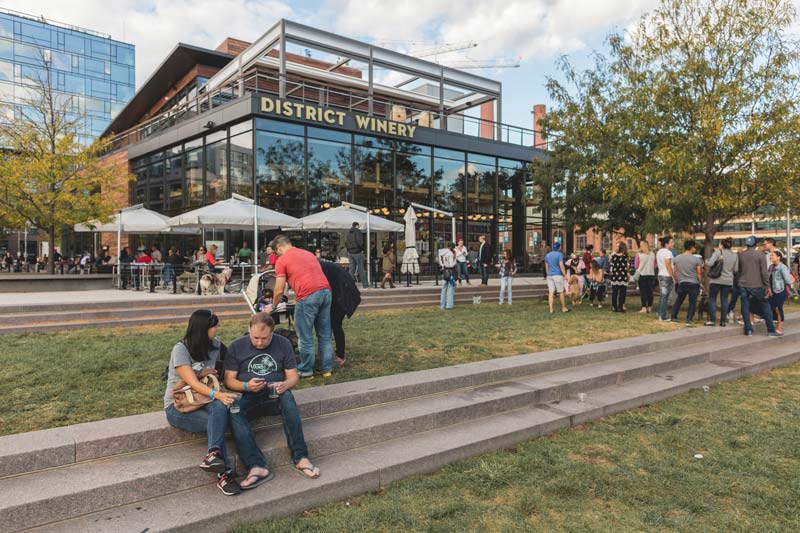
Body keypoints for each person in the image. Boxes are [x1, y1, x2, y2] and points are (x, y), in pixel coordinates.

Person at [225, 313, 320, 490]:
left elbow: (293, 376)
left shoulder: (282, 343)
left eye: (265, 338)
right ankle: (257, 465)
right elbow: (229, 380)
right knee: (234, 410)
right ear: (249, 330)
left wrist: (284, 384)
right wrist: (246, 386)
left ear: (272, 332)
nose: (260, 343)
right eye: (255, 338)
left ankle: (300, 457)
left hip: (276, 394)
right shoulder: (237, 346)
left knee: (288, 398)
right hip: (250, 395)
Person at [164, 309, 240, 496]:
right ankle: (225, 474)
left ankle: (213, 454)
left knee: (219, 409)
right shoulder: (180, 349)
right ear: (202, 329)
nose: (216, 330)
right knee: (217, 421)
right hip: (179, 406)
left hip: (205, 400)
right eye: (214, 327)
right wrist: (219, 395)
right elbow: (192, 383)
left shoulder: (215, 345)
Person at [270, 235, 334, 378]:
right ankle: (326, 369)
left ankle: (306, 370)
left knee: (305, 336)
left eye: (276, 252)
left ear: (279, 248)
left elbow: (279, 289)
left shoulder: (282, 260)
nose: (276, 254)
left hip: (307, 295)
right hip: (326, 292)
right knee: (324, 335)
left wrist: (273, 306)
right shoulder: (308, 254)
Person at [319, 258, 361, 366]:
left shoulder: (321, 268)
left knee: (335, 325)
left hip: (341, 296)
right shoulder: (326, 266)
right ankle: (335, 353)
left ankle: (339, 355)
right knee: (335, 325)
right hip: (341, 295)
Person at [739, 235, 779, 336]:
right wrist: (767, 286)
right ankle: (770, 330)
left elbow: (738, 271)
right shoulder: (760, 255)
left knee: (745, 306)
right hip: (757, 285)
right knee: (765, 306)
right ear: (755, 244)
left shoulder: (741, 255)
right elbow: (764, 273)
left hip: (743, 284)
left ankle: (748, 330)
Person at [705, 237, 738, 327]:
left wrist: (706, 261)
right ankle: (723, 321)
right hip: (728, 281)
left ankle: (712, 320)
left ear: (721, 245)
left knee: (712, 298)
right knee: (724, 300)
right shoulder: (734, 255)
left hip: (716, 280)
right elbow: (735, 269)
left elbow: (710, 263)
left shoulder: (718, 252)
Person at [670, 239, 703, 324]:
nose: (695, 248)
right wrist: (700, 282)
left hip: (682, 282)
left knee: (679, 300)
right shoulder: (696, 259)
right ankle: (689, 319)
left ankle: (673, 316)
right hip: (693, 283)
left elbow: (675, 271)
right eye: (694, 247)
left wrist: (676, 280)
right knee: (692, 302)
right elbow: (699, 273)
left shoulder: (677, 258)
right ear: (691, 247)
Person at [768, 250, 791, 335]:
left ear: (778, 257)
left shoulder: (782, 267)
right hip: (772, 292)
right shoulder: (771, 267)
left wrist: (788, 291)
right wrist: (768, 289)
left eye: (772, 255)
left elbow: (788, 280)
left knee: (778, 309)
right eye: (770, 255)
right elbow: (768, 279)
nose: (770, 257)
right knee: (772, 309)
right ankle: (775, 327)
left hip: (780, 291)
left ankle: (779, 329)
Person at [545, 242, 569, 314]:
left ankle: (551, 309)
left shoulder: (547, 255)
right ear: (559, 247)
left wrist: (548, 274)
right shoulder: (559, 255)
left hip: (549, 275)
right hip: (557, 275)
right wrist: (565, 275)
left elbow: (546, 266)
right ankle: (564, 308)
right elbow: (561, 266)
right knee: (561, 292)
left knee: (551, 292)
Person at [656, 236, 675, 321]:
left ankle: (660, 313)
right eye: (671, 242)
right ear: (666, 244)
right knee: (665, 296)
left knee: (663, 296)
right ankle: (663, 315)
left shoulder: (659, 252)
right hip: (666, 276)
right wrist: (673, 276)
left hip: (661, 274)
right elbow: (668, 265)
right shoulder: (668, 253)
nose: (673, 244)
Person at [633, 240, 656, 313]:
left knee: (643, 292)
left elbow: (636, 266)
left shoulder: (638, 254)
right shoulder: (652, 254)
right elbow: (655, 265)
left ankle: (644, 307)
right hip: (651, 274)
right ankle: (650, 307)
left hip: (642, 275)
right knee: (650, 291)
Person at [345, 222, 368, 289]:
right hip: (358, 252)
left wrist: (349, 250)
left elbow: (346, 243)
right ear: (357, 226)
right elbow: (360, 242)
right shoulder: (358, 232)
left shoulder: (349, 233)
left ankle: (350, 285)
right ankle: (365, 285)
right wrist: (362, 249)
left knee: (351, 270)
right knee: (361, 269)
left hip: (350, 253)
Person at [608, 242, 630, 313]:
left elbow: (610, 262)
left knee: (620, 292)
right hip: (620, 275)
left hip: (618, 275)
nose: (616, 247)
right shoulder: (625, 256)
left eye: (617, 246)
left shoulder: (614, 255)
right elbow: (627, 266)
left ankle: (619, 306)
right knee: (616, 292)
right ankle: (616, 306)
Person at [439, 242, 457, 310]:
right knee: (451, 288)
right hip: (450, 271)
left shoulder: (442, 252)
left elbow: (441, 261)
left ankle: (442, 305)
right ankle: (449, 305)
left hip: (444, 271)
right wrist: (455, 260)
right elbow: (452, 264)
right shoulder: (450, 254)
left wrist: (443, 265)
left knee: (443, 288)